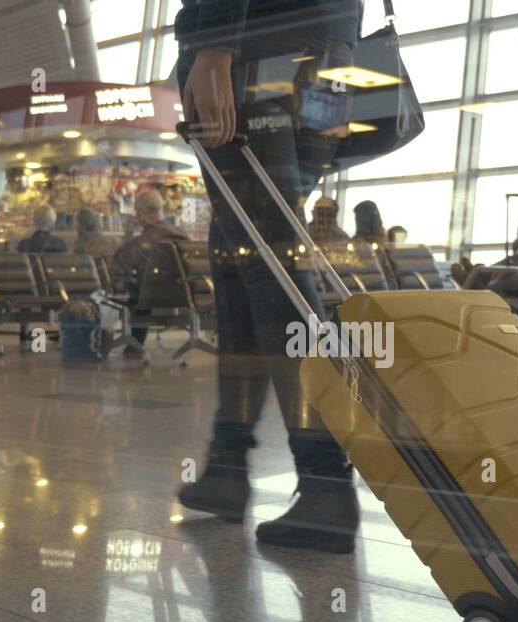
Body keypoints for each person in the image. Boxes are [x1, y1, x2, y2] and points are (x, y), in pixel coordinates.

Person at [174, 0, 363, 553]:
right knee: (241, 254)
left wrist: (214, 43)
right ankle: (228, 467)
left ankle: (326, 483)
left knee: (267, 259)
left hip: (258, 49)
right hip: (325, 56)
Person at [111, 189, 189, 356]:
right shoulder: (182, 235)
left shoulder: (139, 243)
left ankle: (135, 344)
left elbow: (118, 265)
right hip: (184, 296)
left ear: (140, 214)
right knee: (146, 286)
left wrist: (128, 235)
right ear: (161, 209)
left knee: (136, 287)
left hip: (150, 299)